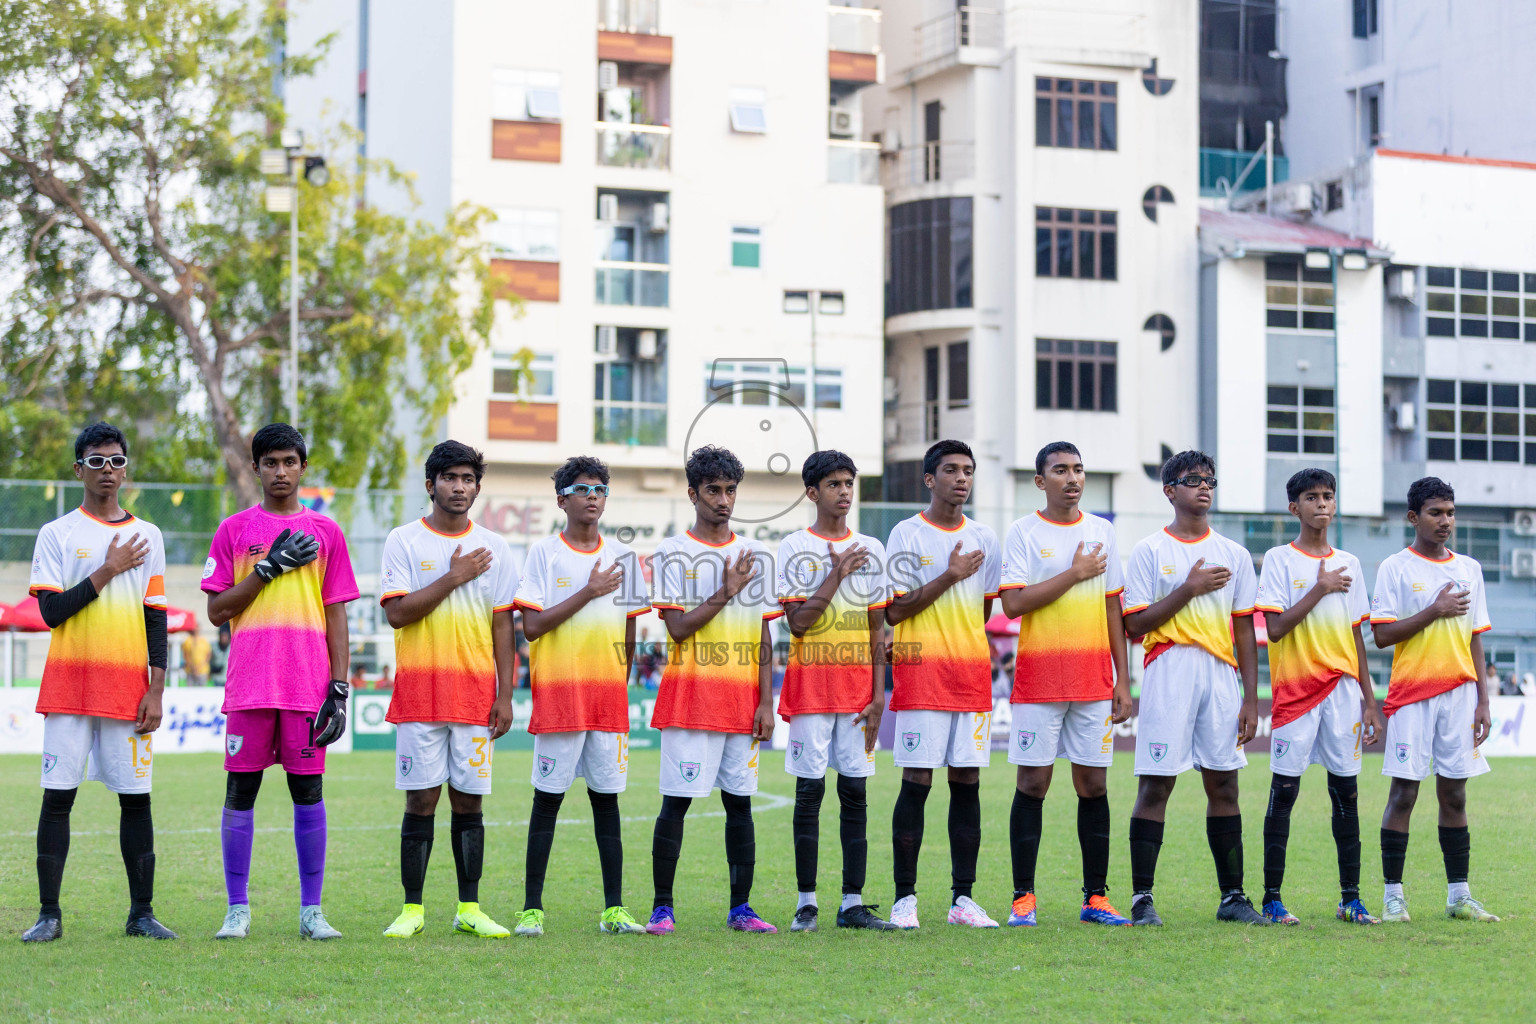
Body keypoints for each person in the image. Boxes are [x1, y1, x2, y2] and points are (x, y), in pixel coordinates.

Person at [203, 423, 359, 941]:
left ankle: (311, 912)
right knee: (239, 793)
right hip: (250, 685)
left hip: (306, 688)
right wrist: (265, 569)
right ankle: (236, 909)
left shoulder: (327, 533)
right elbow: (217, 610)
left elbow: (337, 615)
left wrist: (338, 688)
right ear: (256, 468)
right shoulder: (233, 531)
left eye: (290, 461)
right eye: (270, 462)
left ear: (303, 467)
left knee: (308, 793)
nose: (281, 471)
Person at [21, 422, 175, 942]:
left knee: (136, 799)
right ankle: (48, 915)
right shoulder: (57, 534)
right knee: (57, 797)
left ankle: (142, 913)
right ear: (78, 468)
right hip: (69, 688)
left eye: (115, 460)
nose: (106, 469)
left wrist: (156, 688)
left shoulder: (148, 536)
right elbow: (51, 612)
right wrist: (108, 569)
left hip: (127, 691)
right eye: (96, 460)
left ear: (125, 468)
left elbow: (156, 618)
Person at [378, 441, 516, 940]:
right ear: (431, 483)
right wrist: (453, 576)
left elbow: (504, 626)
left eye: (468, 479)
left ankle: (469, 908)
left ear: (477, 487)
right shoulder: (404, 541)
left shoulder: (496, 547)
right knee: (420, 802)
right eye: (450, 478)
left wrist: (506, 693)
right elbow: (396, 613)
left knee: (470, 803)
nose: (460, 487)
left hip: (477, 697)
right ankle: (412, 910)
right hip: (420, 695)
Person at [1121, 450, 1265, 926]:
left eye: (1210, 480)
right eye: (1193, 480)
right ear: (1170, 491)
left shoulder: (1235, 554)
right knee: (1157, 784)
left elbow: (1244, 629)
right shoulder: (1148, 551)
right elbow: (1136, 625)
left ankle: (1233, 898)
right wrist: (1188, 587)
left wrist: (1250, 696)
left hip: (1221, 677)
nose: (1204, 487)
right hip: (1170, 670)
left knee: (1224, 782)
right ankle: (1142, 899)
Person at [645, 446, 780, 935]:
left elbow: (764, 633)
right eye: (714, 490)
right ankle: (663, 908)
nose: (724, 500)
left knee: (740, 805)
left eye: (730, 491)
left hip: (743, 703)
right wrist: (726, 589)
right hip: (690, 698)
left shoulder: (758, 555)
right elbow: (678, 630)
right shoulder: (672, 553)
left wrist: (766, 701)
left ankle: (741, 909)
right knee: (676, 803)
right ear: (693, 494)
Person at [513, 455, 650, 936]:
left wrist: (615, 683)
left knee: (606, 803)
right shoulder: (543, 555)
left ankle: (614, 909)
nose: (593, 497)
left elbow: (631, 637)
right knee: (546, 801)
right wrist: (589, 592)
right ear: (562, 499)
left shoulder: (625, 561)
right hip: (559, 700)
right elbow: (531, 627)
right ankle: (532, 909)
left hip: (607, 705)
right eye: (582, 489)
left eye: (600, 490)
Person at [998, 442, 1133, 928]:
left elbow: (1114, 608)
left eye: (1078, 469)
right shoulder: (1023, 533)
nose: (1072, 478)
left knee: (1093, 784)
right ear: (1041, 481)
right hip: (1038, 681)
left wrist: (1123, 679)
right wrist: (1074, 573)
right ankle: (1023, 898)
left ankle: (1096, 899)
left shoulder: (1103, 532)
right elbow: (1012, 605)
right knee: (1033, 783)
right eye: (1060, 470)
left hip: (1094, 683)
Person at [1254, 468, 1385, 926]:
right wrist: (1320, 587)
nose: (1322, 504)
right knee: (1284, 792)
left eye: (1328, 496)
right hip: (1295, 694)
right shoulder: (1278, 560)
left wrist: (1370, 700)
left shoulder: (1349, 562)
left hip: (1344, 695)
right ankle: (1271, 899)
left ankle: (1351, 899)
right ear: (1295, 508)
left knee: (1346, 793)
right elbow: (1273, 629)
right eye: (1312, 497)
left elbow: (1355, 637)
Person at [774, 450, 898, 932]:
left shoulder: (872, 547)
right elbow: (799, 623)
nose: (844, 492)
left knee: (855, 795)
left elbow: (876, 631)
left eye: (849, 483)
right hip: (809, 692)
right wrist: (837, 571)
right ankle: (807, 902)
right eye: (833, 484)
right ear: (812, 492)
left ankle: (851, 903)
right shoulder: (793, 547)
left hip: (857, 696)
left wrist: (879, 693)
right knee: (809, 795)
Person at [884, 439, 1001, 929]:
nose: (961, 478)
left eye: (968, 471)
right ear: (929, 479)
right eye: (951, 470)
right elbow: (894, 609)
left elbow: (985, 609)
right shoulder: (905, 534)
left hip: (970, 676)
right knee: (917, 782)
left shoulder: (986, 538)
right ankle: (904, 900)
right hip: (922, 675)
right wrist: (950, 576)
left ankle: (963, 900)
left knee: (967, 783)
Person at [1370, 477, 1498, 923]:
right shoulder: (1395, 568)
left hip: (1460, 696)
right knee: (1404, 793)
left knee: (1455, 795)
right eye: (1435, 513)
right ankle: (1393, 896)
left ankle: (1459, 896)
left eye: (1450, 513)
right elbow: (1382, 634)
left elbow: (1475, 638)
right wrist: (1433, 611)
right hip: (1411, 696)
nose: (1445, 521)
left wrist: (1483, 700)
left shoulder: (1469, 568)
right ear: (1413, 517)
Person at [209, 623, 230, 687]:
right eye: (222, 636)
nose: (223, 638)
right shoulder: (214, 646)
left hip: (228, 679)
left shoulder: (232, 646)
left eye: (225, 636)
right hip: (216, 679)